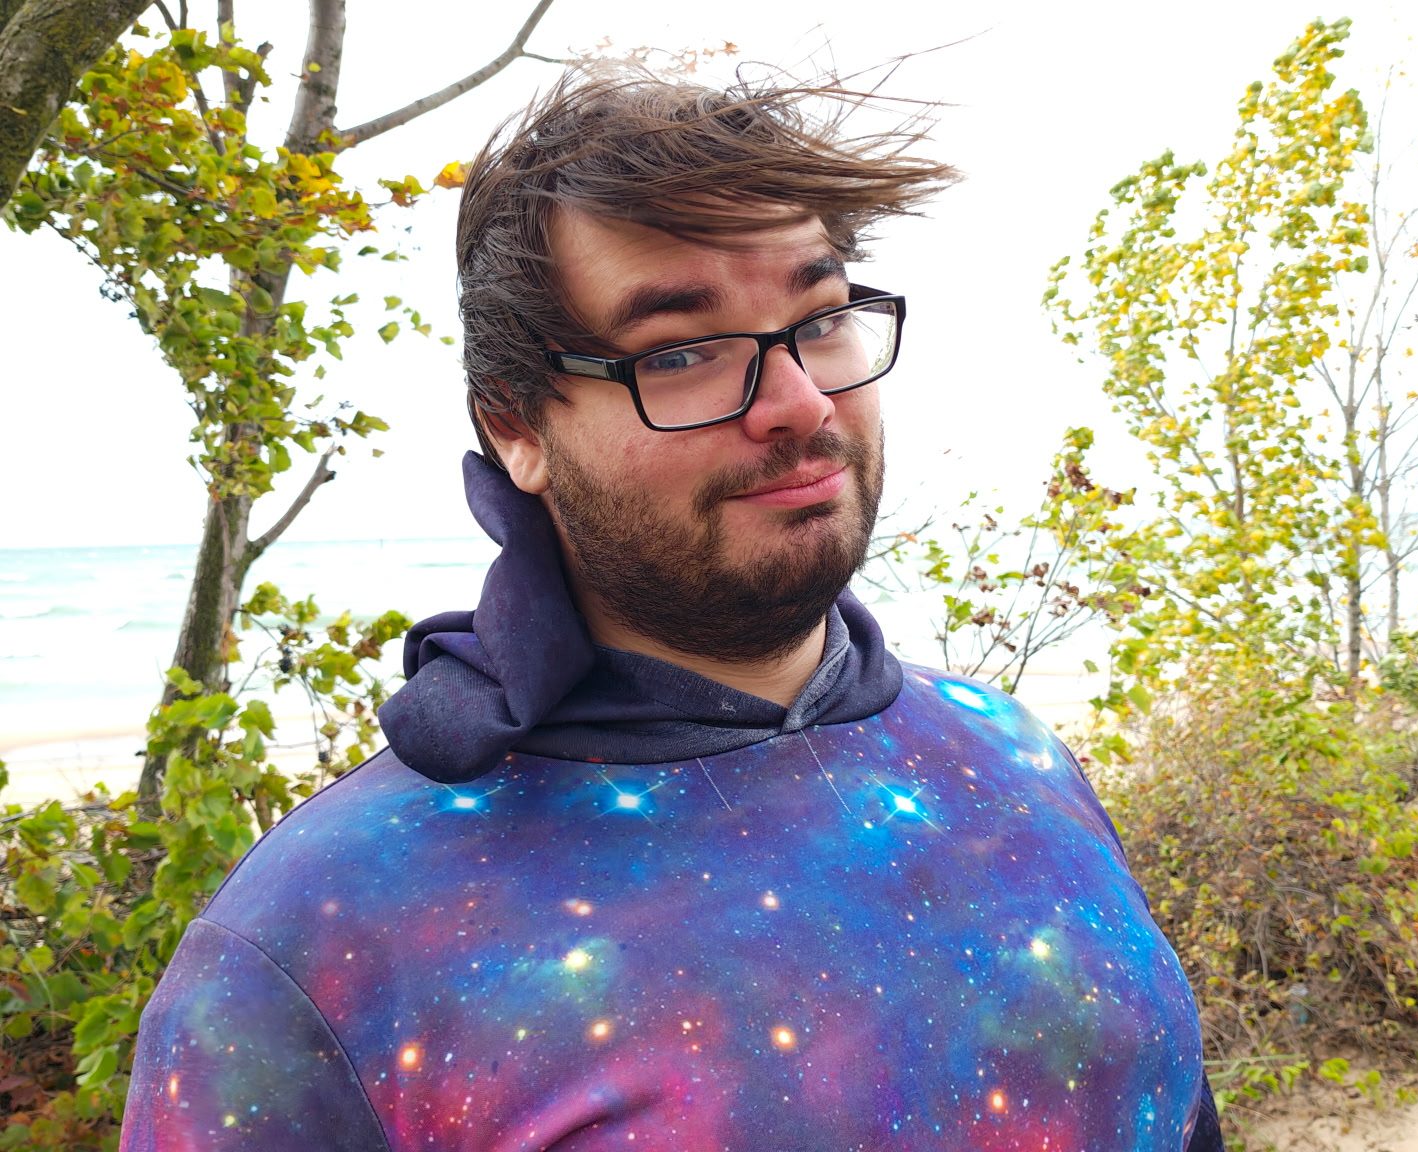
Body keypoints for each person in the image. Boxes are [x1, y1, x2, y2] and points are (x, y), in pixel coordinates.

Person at [121, 68, 1225, 1151]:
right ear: (516, 424)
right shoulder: (316, 938)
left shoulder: (1014, 756)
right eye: (684, 353)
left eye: (823, 318)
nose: (798, 404)